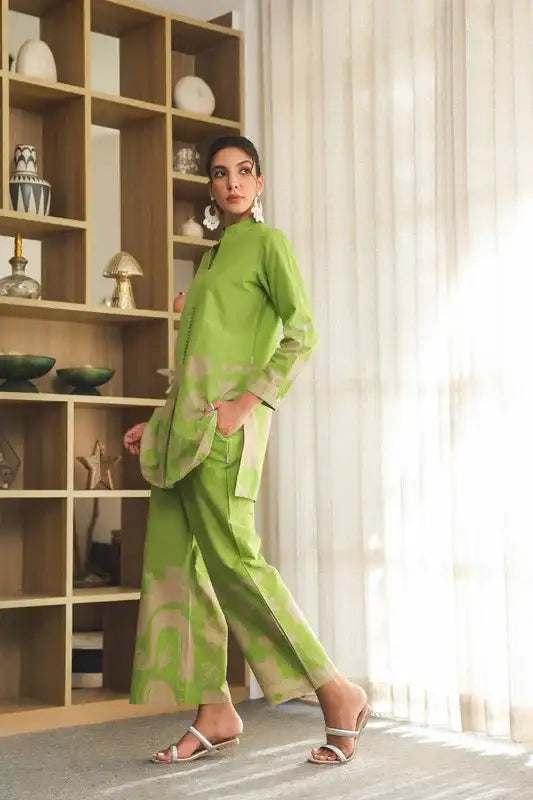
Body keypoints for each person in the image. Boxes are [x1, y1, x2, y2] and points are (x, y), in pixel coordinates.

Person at [123, 135, 371, 766]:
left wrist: (246, 403)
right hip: (184, 434)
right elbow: (194, 362)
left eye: (243, 171)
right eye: (219, 174)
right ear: (209, 187)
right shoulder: (208, 261)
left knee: (238, 563)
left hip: (226, 434)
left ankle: (336, 691)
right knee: (181, 569)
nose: (232, 183)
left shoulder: (268, 244)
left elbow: (302, 332)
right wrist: (159, 422)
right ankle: (215, 709)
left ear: (259, 182)